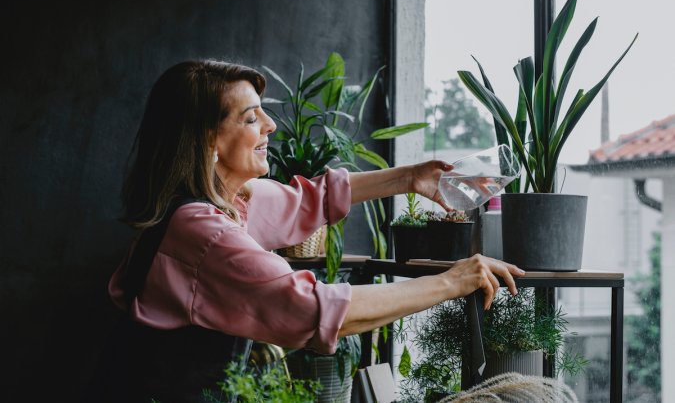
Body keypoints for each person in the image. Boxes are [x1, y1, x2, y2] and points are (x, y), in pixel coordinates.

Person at [92, 60, 524, 403]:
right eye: (250, 118)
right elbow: (316, 309)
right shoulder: (202, 232)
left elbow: (308, 199)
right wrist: (452, 280)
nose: (270, 126)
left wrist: (411, 177)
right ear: (209, 140)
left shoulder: (227, 202)